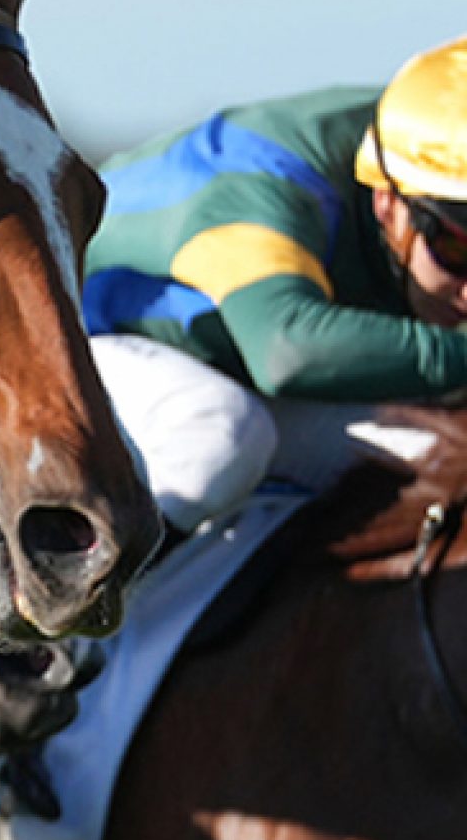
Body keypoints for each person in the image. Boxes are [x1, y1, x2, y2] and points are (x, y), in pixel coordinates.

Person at [81, 33, 467, 536]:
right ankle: (69, 609)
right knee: (218, 438)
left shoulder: (437, 138)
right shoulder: (264, 184)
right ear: (388, 206)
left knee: (442, 451)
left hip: (237, 362)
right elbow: (288, 352)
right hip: (77, 341)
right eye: (460, 250)